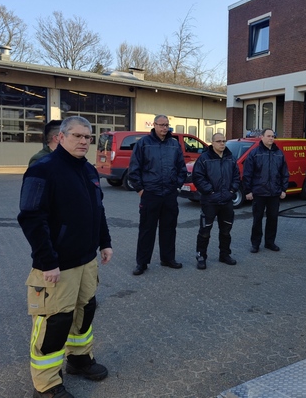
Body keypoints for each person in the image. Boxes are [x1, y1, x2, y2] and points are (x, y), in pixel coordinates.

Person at [18, 116, 112, 398]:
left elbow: (98, 210)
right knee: (54, 322)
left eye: (88, 137)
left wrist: (105, 242)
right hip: (57, 265)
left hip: (86, 261)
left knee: (84, 311)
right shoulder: (43, 169)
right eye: (77, 136)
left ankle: (79, 359)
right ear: (61, 137)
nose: (84, 141)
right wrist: (48, 261)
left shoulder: (89, 170)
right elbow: (31, 218)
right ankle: (46, 384)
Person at [128, 114, 187, 275]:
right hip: (150, 194)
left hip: (169, 194)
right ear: (154, 125)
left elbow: (181, 168)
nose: (164, 128)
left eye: (166, 125)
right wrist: (140, 190)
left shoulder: (174, 145)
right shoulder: (144, 144)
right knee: (147, 230)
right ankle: (142, 263)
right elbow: (134, 169)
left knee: (169, 228)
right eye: (161, 125)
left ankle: (167, 259)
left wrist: (177, 187)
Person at [192, 133, 240, 269]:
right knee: (205, 231)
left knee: (226, 231)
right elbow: (198, 177)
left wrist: (232, 191)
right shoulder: (204, 159)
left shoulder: (231, 158)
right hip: (210, 202)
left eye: (224, 141)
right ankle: (201, 256)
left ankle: (224, 255)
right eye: (219, 141)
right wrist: (210, 191)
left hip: (226, 201)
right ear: (212, 143)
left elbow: (237, 176)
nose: (222, 143)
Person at [242, 128, 289, 253]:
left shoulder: (279, 153)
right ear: (262, 137)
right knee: (257, 219)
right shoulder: (254, 153)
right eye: (268, 136)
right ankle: (255, 244)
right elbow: (247, 173)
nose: (271, 138)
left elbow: (284, 173)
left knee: (273, 219)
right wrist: (248, 191)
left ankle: (270, 242)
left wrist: (283, 189)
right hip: (259, 193)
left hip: (274, 193)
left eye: (273, 136)